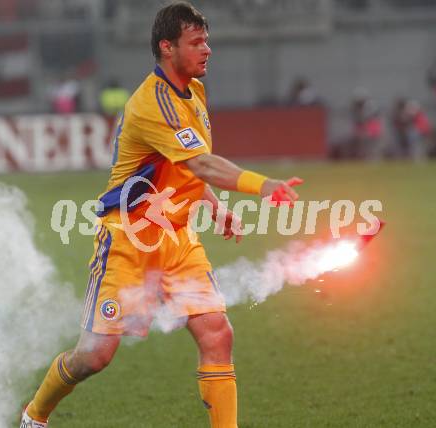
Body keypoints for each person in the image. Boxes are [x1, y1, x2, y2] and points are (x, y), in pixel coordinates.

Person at [20, 2, 302, 427]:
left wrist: (212, 205)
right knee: (94, 356)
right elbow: (203, 163)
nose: (207, 49)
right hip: (130, 242)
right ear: (167, 47)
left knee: (216, 332)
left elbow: (186, 164)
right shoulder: (153, 103)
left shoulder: (195, 92)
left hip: (178, 239)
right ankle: (34, 416)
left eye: (207, 40)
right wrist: (262, 186)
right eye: (197, 42)